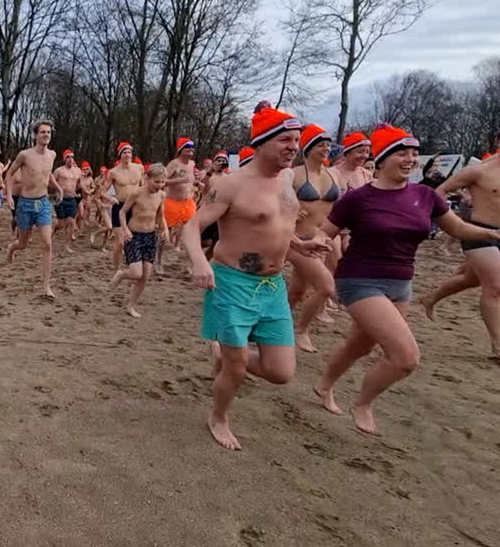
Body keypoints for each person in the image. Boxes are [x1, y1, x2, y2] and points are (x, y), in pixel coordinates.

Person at [313, 125, 500, 436]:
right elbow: (325, 231)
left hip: (401, 284)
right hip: (359, 280)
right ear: (383, 158)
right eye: (402, 152)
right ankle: (363, 404)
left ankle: (324, 385)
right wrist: (316, 242)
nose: (411, 159)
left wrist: (492, 233)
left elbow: (458, 229)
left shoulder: (425, 196)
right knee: (405, 358)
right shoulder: (357, 199)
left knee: (359, 344)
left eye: (414, 153)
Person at [182, 101, 331, 451]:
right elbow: (192, 225)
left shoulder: (287, 181)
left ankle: (224, 353)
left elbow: (272, 228)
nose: (294, 147)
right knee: (234, 370)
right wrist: (199, 263)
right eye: (285, 140)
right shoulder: (233, 184)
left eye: (296, 140)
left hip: (272, 286)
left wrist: (298, 246)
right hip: (231, 283)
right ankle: (218, 417)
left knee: (281, 372)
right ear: (262, 142)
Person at [421, 152, 500, 358]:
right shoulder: (479, 170)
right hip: (479, 232)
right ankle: (498, 345)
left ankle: (431, 298)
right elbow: (440, 191)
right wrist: (451, 224)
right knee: (495, 286)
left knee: (471, 279)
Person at [286, 124, 341, 353]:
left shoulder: (333, 174)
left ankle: (279, 320)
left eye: (328, 145)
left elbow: (338, 207)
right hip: (296, 240)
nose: (326, 148)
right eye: (320, 144)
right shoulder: (294, 174)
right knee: (326, 286)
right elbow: (275, 203)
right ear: (308, 148)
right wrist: (291, 210)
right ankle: (301, 330)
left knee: (298, 290)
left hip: (321, 239)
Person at [5, 120, 64, 297]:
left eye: (49, 132)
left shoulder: (52, 155)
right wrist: (8, 195)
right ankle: (11, 249)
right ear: (35, 135)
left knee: (47, 243)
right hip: (25, 203)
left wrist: (58, 187)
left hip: (42, 202)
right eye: (43, 132)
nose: (46, 135)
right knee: (23, 243)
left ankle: (46, 286)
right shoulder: (25, 155)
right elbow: (8, 174)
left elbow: (47, 175)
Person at [111, 164, 169, 318]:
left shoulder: (162, 195)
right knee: (136, 273)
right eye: (157, 182)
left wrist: (165, 229)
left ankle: (130, 305)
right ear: (147, 178)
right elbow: (122, 212)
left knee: (145, 276)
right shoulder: (136, 193)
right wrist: (125, 229)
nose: (160, 185)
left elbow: (160, 215)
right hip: (134, 235)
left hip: (150, 236)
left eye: (163, 182)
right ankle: (121, 274)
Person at [100, 143, 145, 269]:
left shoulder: (139, 168)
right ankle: (117, 268)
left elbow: (143, 186)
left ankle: (132, 262)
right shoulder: (113, 172)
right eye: (125, 152)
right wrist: (110, 198)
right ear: (120, 155)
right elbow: (102, 192)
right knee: (119, 242)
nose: (128, 154)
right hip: (119, 207)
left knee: (133, 240)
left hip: (135, 207)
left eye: (129, 152)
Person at [159, 137, 198, 274]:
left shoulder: (192, 164)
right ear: (181, 150)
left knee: (191, 234)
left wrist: (197, 182)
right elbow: (162, 181)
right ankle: (158, 262)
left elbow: (192, 181)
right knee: (163, 234)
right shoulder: (173, 164)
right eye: (188, 148)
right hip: (171, 202)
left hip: (188, 203)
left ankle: (189, 266)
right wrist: (179, 180)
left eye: (192, 148)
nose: (191, 150)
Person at [53, 150, 82, 252]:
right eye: (68, 157)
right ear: (64, 159)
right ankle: (53, 232)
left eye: (72, 157)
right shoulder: (59, 171)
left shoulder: (78, 171)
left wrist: (78, 192)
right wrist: (57, 191)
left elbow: (79, 183)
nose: (70, 159)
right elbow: (51, 182)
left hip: (71, 199)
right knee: (61, 224)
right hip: (60, 199)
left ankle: (66, 245)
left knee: (71, 222)